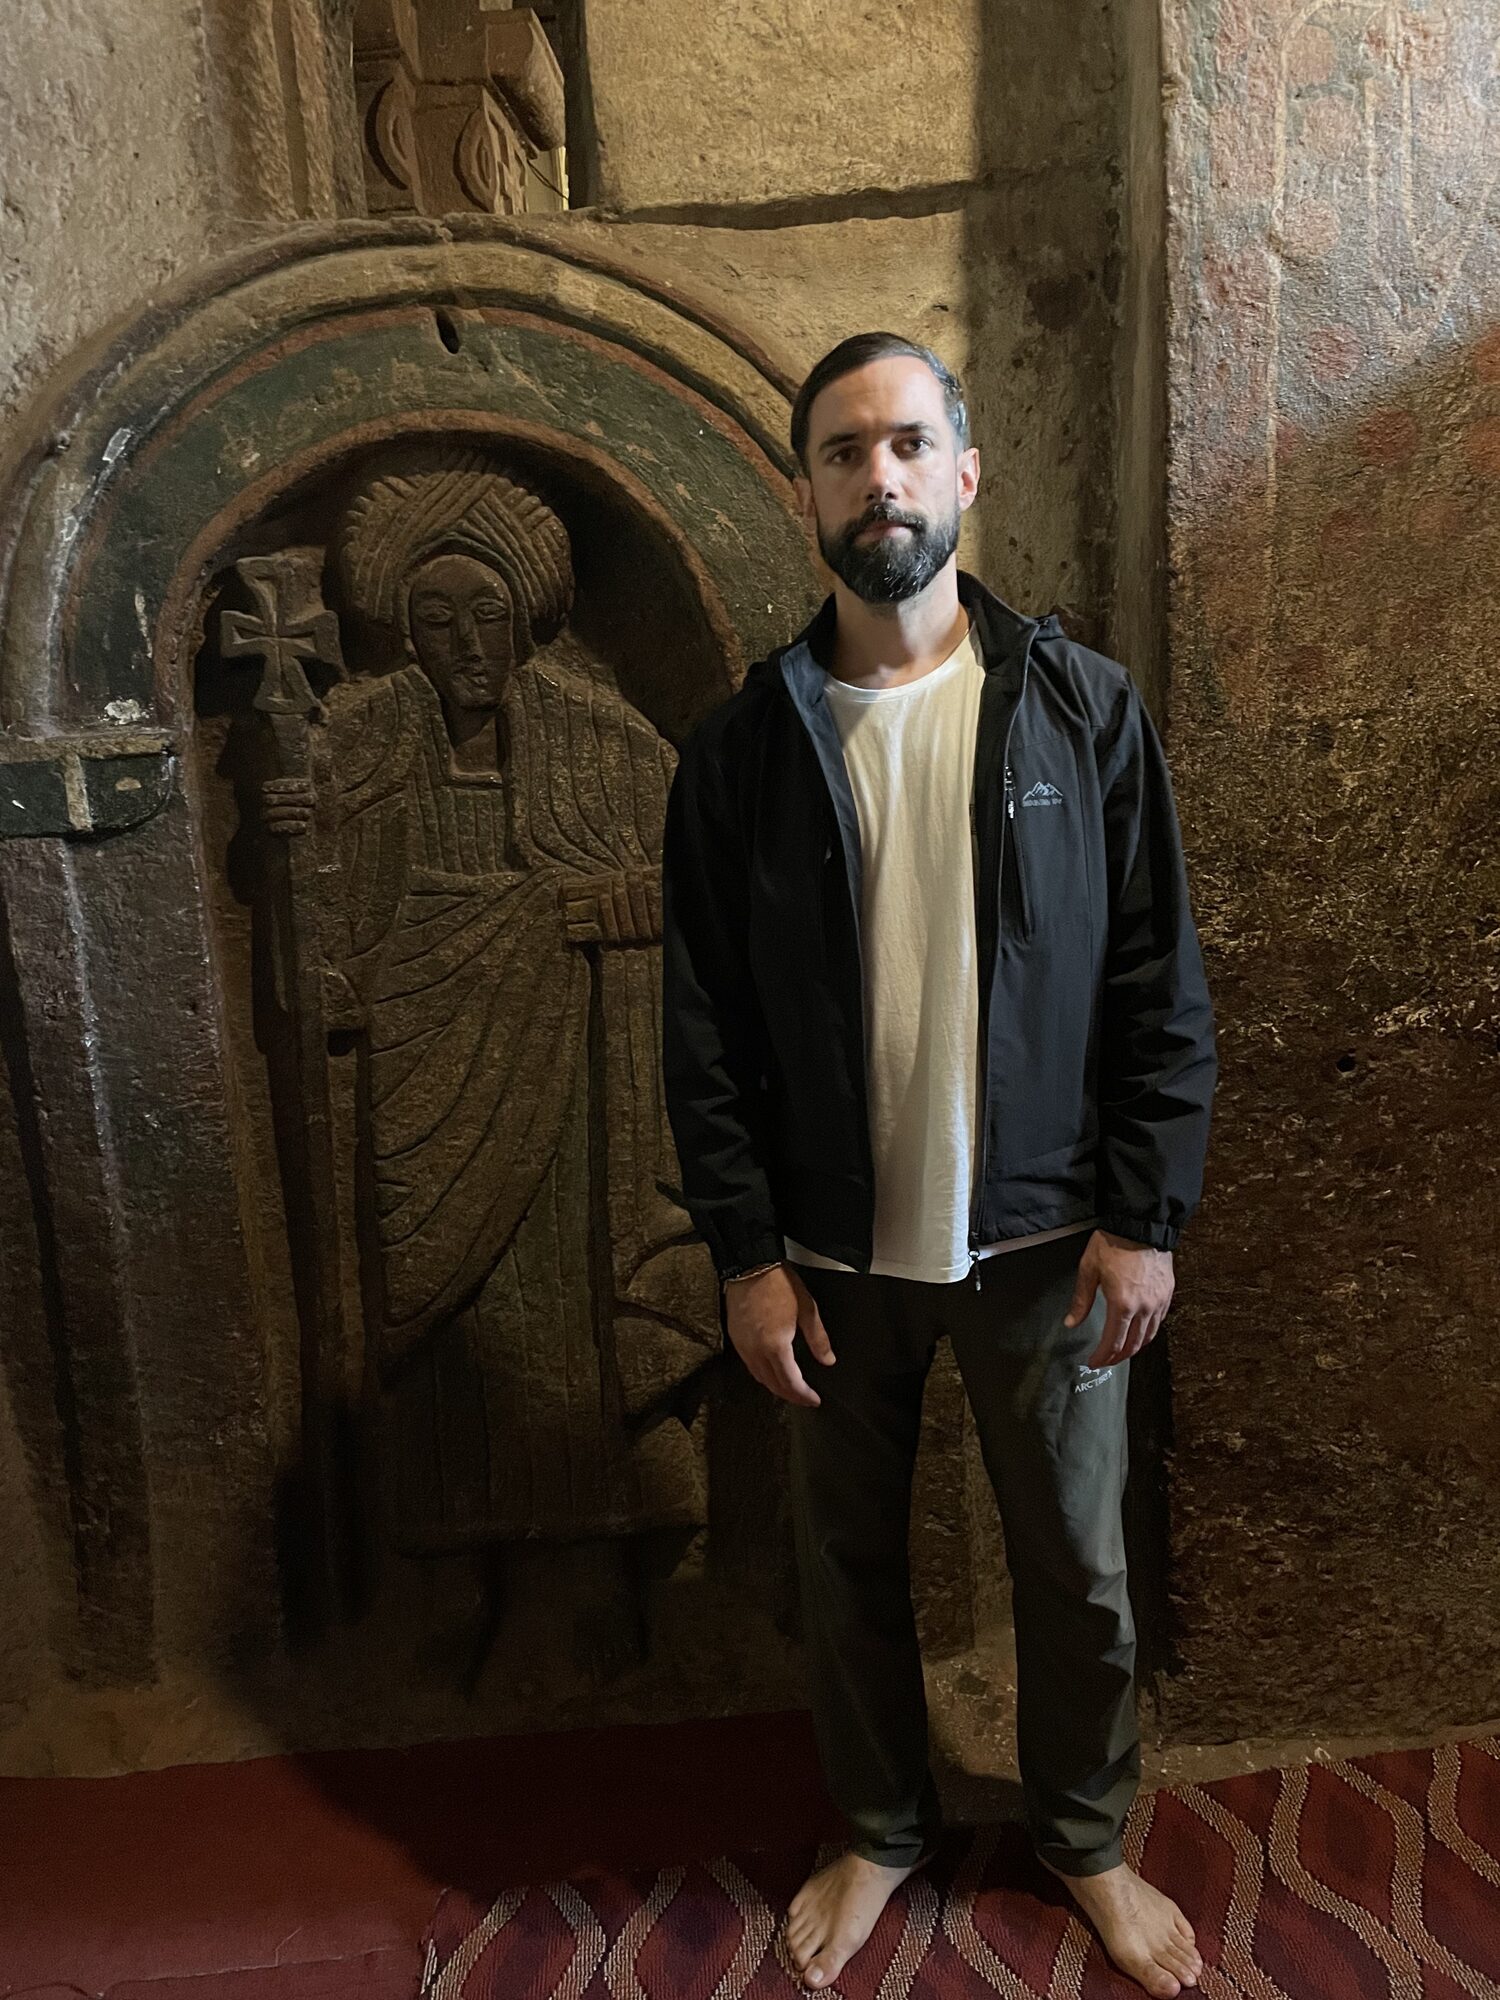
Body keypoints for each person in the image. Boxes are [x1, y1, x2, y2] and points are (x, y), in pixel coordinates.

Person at [660, 333, 1217, 1996]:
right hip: (831, 1261)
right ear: (807, 492)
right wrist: (746, 1256)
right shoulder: (746, 749)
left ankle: (1087, 1839)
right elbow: (703, 1028)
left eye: (908, 445)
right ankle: (884, 1824)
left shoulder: (1077, 706)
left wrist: (1145, 1218)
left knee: (1080, 1570)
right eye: (843, 453)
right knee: (843, 1571)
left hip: (1049, 1247)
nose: (878, 479)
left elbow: (1155, 982)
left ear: (965, 476)